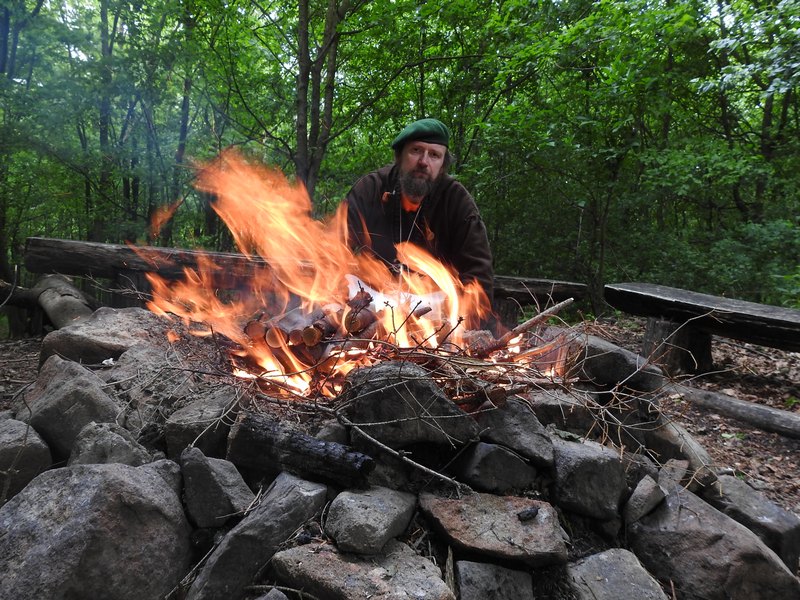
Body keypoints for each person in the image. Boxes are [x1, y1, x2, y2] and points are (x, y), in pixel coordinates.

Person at [344, 118, 495, 314]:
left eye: (434, 155)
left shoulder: (457, 202)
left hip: (435, 317)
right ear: (400, 156)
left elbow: (479, 279)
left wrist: (455, 309)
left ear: (442, 165)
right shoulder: (370, 189)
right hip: (368, 309)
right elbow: (332, 251)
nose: (424, 162)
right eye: (416, 150)